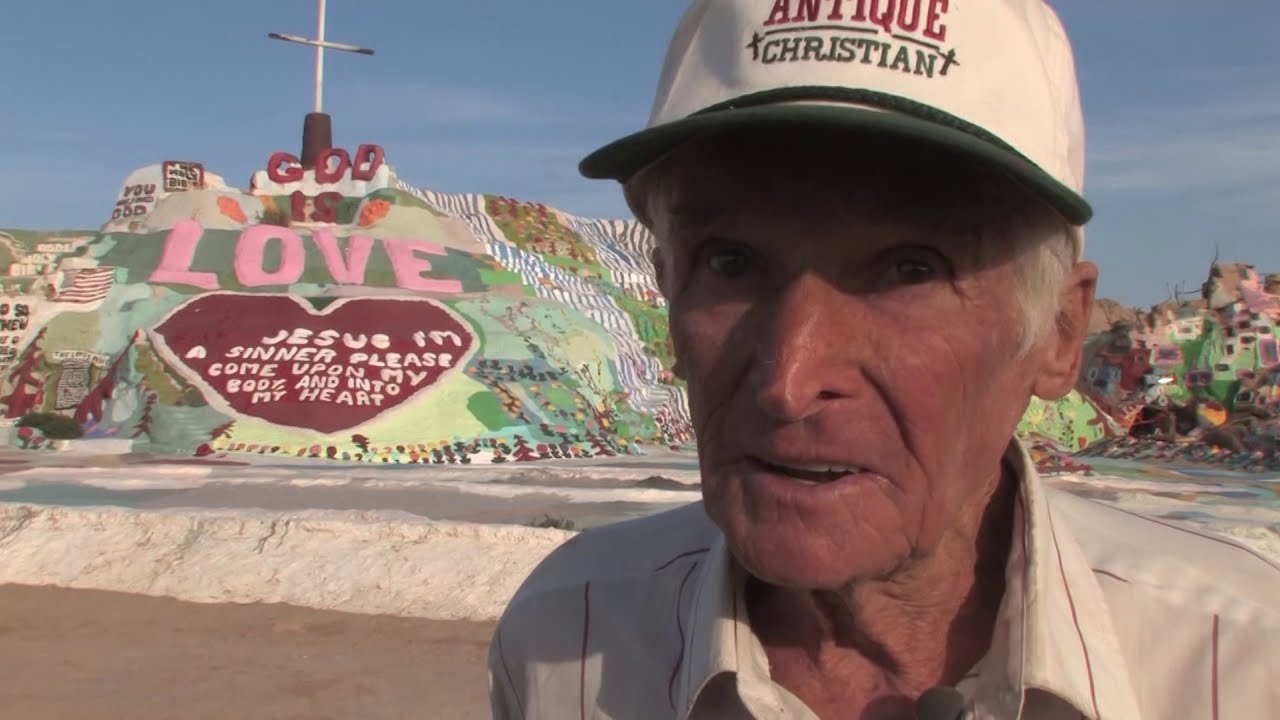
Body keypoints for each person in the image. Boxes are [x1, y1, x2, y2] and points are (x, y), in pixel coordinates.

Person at [488, 1, 1280, 718]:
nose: (788, 383)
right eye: (730, 262)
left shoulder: (1242, 663)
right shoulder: (566, 640)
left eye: (909, 270)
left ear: (1059, 334)